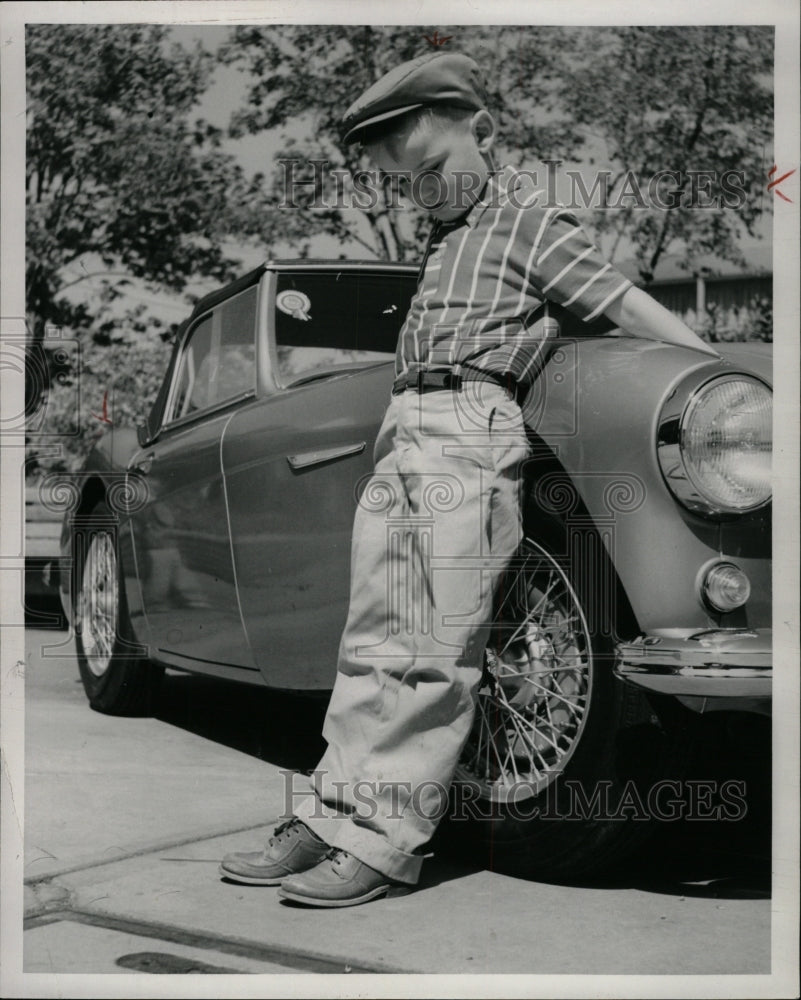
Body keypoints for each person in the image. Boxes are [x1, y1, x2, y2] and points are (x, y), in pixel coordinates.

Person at [220, 51, 719, 907]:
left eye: (430, 170)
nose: (421, 192)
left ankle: (385, 839)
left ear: (482, 132)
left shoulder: (527, 218)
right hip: (404, 428)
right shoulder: (446, 236)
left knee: (431, 646)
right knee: (371, 639)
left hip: (468, 425)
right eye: (403, 185)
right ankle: (329, 812)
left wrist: (718, 370)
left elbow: (621, 302)